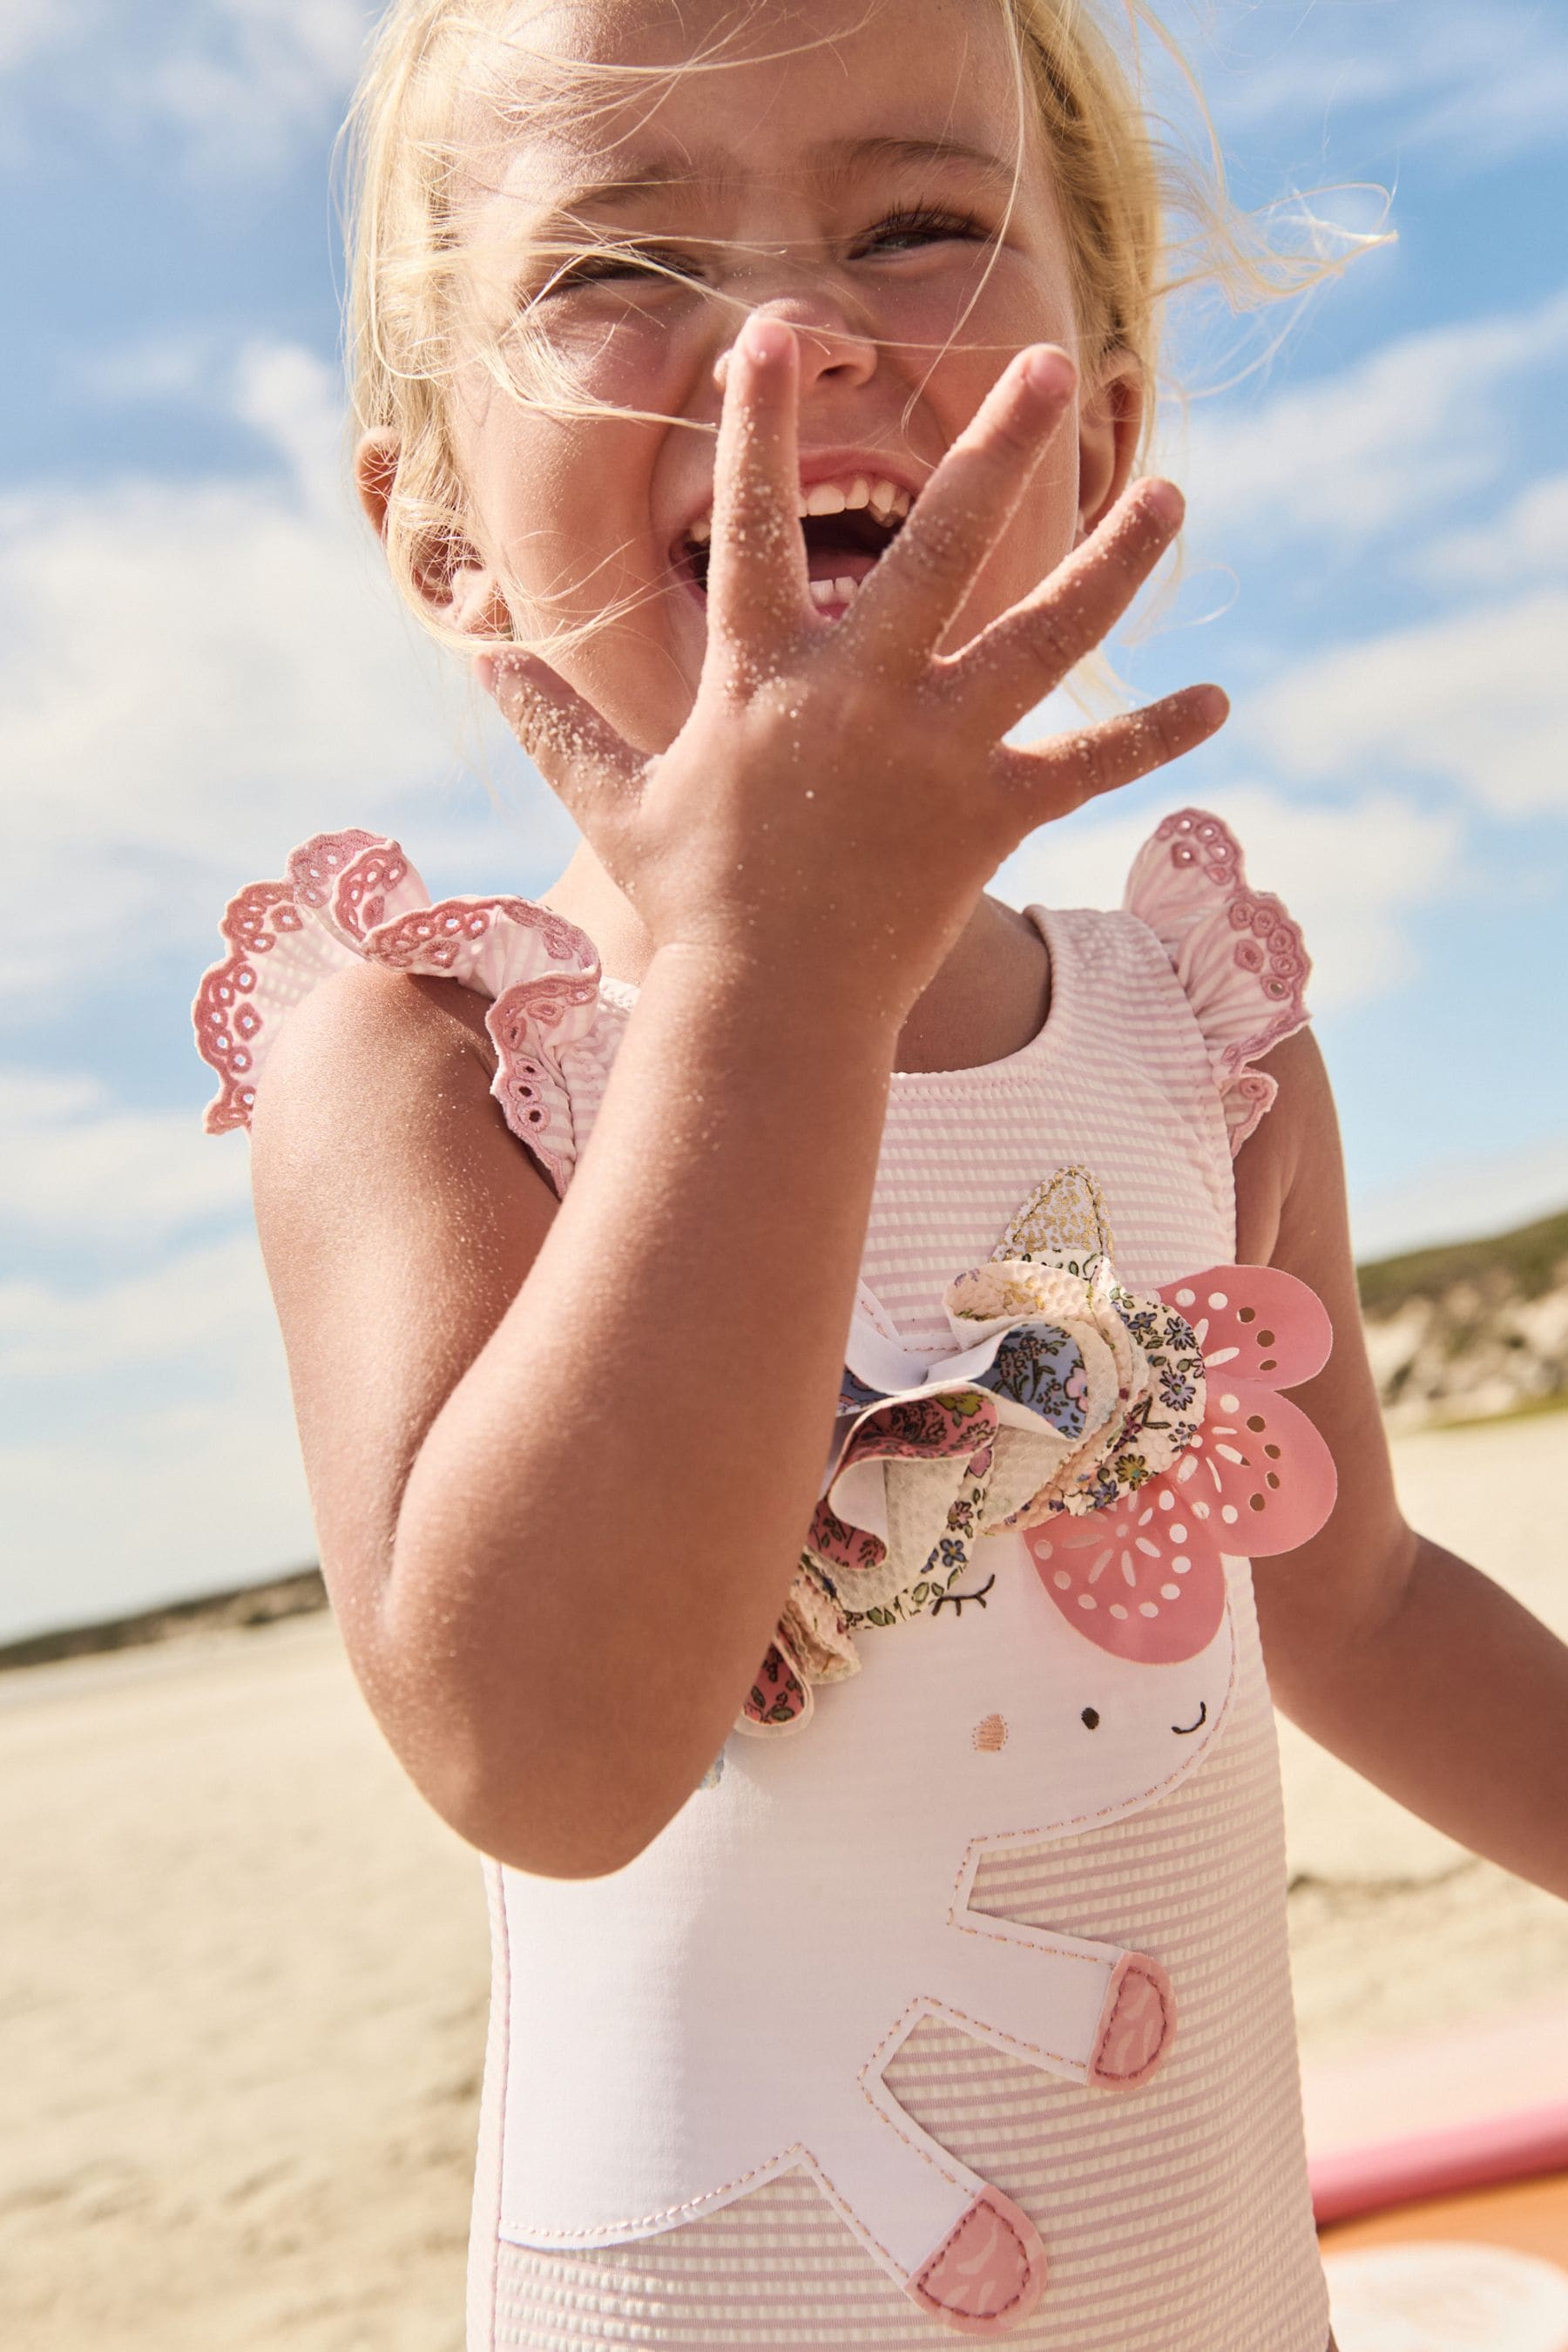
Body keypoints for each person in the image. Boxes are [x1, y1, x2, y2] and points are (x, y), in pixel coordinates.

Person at [191, 3, 1568, 2346]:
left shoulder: (1199, 1046)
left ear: (1107, 431)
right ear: (432, 517)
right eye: (616, 259)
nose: (795, 333)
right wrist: (774, 980)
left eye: (921, 224)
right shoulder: (441, 1062)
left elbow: (1357, 1610)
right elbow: (545, 1744)